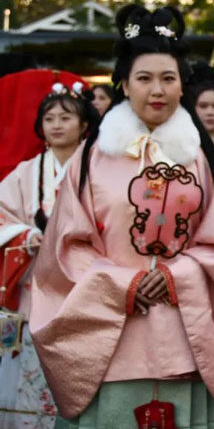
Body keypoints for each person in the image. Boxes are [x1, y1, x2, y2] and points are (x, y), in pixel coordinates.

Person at [29, 5, 214, 428]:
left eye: (168, 78)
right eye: (144, 78)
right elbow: (65, 248)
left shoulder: (201, 160)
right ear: (125, 85)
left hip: (185, 341)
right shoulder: (92, 159)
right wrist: (121, 284)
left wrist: (178, 275)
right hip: (109, 346)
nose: (157, 90)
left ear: (182, 85)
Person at [0, 82, 95, 429]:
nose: (56, 125)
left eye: (66, 118)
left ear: (84, 125)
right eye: (49, 118)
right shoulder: (26, 172)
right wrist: (26, 235)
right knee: (31, 367)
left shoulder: (98, 168)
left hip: (85, 282)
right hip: (35, 279)